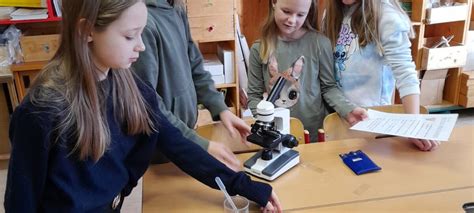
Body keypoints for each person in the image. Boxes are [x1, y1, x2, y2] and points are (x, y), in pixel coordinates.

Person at [4, 0, 282, 212]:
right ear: (86, 31)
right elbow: (20, 200)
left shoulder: (130, 88)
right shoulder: (41, 112)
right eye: (130, 36)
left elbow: (179, 146)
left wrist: (248, 188)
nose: (142, 46)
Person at [132, 0, 249, 168]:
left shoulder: (176, 9)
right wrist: (201, 145)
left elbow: (194, 65)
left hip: (185, 137)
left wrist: (220, 108)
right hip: (161, 148)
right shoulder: (144, 23)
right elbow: (148, 105)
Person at [322, 0, 440, 151]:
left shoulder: (387, 16)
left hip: (371, 124)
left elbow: (405, 73)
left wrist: (414, 123)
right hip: (339, 117)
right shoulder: (332, 13)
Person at [247, 0, 367, 142]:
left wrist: (348, 109)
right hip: (274, 135)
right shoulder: (259, 48)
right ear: (274, 3)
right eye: (286, 11)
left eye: (300, 15)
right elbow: (254, 96)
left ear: (308, 12)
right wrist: (263, 121)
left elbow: (328, 88)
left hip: (313, 134)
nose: (292, 20)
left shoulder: (320, 43)